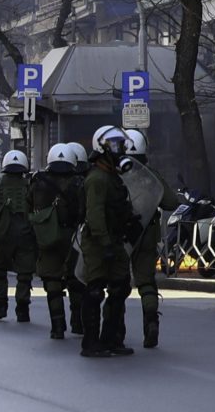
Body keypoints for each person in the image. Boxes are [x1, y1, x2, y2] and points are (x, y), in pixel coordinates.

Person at [80, 126, 137, 357]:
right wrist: (104, 244)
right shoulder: (97, 179)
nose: (120, 149)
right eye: (115, 145)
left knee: (120, 288)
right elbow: (95, 215)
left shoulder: (113, 178)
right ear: (101, 148)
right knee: (94, 291)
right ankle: (91, 343)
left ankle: (111, 338)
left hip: (114, 240)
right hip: (98, 243)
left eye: (120, 145)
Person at [124, 129, 181, 349]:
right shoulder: (151, 175)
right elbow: (170, 202)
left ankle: (116, 330)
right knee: (146, 282)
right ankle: (151, 322)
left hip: (121, 236)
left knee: (117, 283)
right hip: (146, 235)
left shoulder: (114, 173)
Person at [28, 144, 84, 339]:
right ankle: (78, 322)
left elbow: (30, 209)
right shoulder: (80, 183)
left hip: (47, 237)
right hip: (74, 238)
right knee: (76, 280)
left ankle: (57, 326)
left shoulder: (38, 182)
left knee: (52, 281)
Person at [0, 150, 36, 322]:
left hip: (4, 236)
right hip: (26, 236)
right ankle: (22, 309)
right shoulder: (30, 185)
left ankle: (0, 306)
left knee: (0, 271)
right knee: (24, 274)